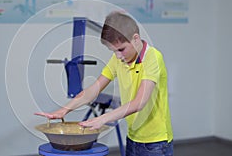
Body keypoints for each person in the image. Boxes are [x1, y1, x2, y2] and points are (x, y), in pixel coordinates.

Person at [35, 11, 173, 156]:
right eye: (113, 51)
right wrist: (64, 110)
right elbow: (93, 90)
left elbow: (139, 102)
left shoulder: (153, 57)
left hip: (156, 142)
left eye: (121, 49)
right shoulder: (118, 59)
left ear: (136, 39)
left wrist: (102, 119)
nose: (118, 56)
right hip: (133, 137)